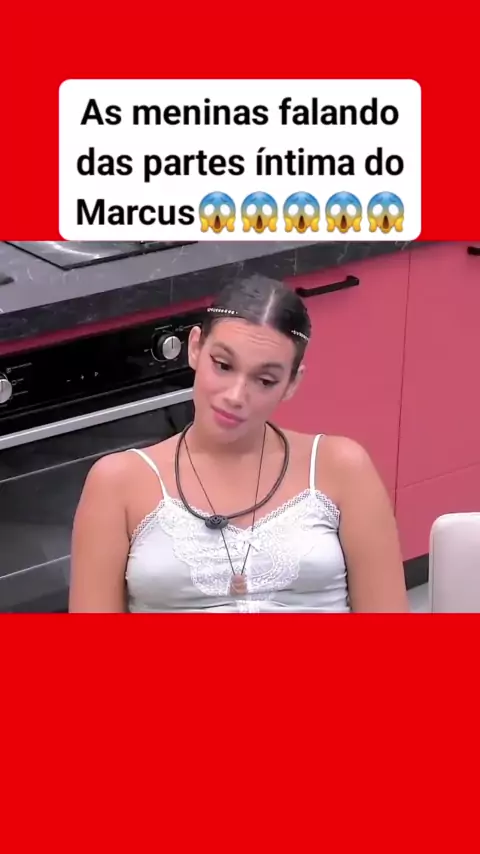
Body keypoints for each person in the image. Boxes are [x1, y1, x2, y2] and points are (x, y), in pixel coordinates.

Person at [69, 274, 409, 613]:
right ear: (195, 347)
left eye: (265, 380)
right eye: (223, 365)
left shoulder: (342, 468)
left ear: (292, 383)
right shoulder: (117, 482)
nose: (235, 396)